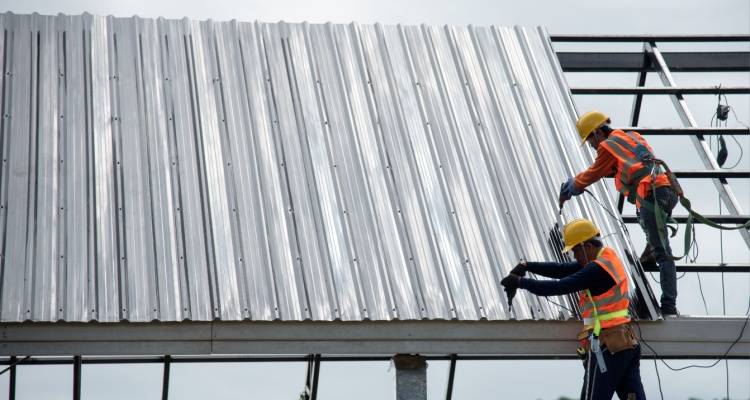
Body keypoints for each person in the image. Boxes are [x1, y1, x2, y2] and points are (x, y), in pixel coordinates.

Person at [501, 218, 645, 400]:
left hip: (609, 345)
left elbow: (559, 286)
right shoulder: (606, 257)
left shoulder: (596, 269)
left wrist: (521, 282)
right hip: (625, 343)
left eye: (576, 250)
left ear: (587, 246)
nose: (575, 256)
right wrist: (527, 266)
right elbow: (562, 269)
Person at [558, 110, 679, 316]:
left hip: (652, 196)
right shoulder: (631, 136)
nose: (593, 146)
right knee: (651, 229)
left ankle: (669, 306)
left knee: (664, 253)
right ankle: (649, 252)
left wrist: (572, 187)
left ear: (597, 133)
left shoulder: (607, 145)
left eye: (590, 141)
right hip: (667, 190)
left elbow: (595, 172)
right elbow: (617, 168)